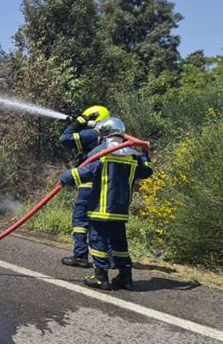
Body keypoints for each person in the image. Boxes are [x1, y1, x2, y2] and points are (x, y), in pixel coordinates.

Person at [58, 118, 153, 290]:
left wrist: (65, 176)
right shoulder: (133, 155)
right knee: (119, 244)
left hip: (101, 208)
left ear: (104, 134)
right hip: (121, 210)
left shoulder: (101, 153)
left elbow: (82, 174)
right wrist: (145, 153)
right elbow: (147, 171)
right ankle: (126, 278)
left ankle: (101, 277)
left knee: (98, 241)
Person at [58, 105, 110, 268]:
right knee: (101, 222)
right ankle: (109, 259)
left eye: (89, 118)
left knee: (80, 219)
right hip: (106, 185)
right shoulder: (110, 139)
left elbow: (65, 139)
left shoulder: (93, 134)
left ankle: (80, 255)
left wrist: (77, 123)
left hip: (89, 183)